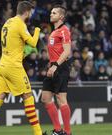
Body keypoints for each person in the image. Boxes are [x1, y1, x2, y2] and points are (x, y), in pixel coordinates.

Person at [0, 1, 46, 135]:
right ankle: (38, 133)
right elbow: (33, 42)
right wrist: (37, 30)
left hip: (2, 66)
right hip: (14, 67)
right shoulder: (20, 24)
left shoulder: (7, 23)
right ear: (26, 12)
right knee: (28, 96)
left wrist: (23, 51)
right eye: (30, 12)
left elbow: (13, 44)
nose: (31, 14)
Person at [41, 5, 72, 135]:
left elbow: (67, 51)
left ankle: (67, 132)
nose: (51, 14)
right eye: (51, 12)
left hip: (60, 67)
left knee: (61, 98)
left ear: (61, 16)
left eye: (54, 13)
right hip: (53, 66)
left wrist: (55, 66)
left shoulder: (64, 30)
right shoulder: (53, 32)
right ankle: (58, 131)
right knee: (45, 98)